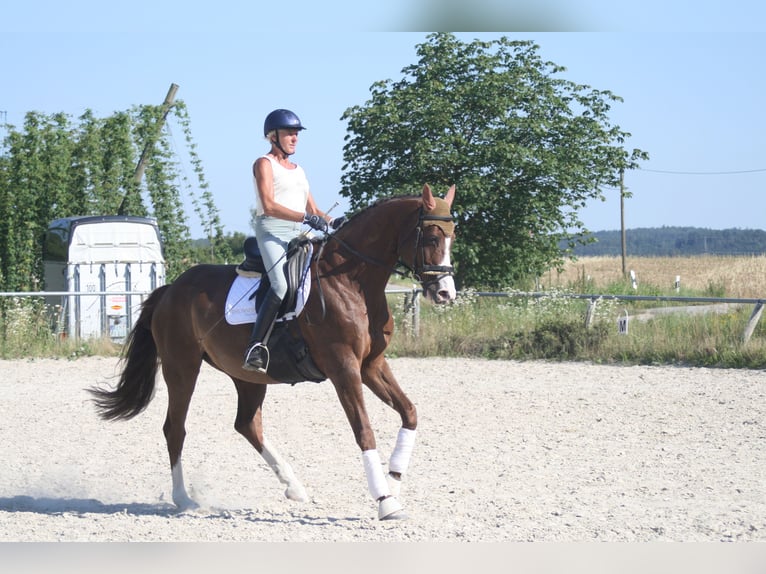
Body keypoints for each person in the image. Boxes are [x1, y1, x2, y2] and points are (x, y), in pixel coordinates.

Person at [243, 109, 343, 372]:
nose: (295, 138)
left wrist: (333, 221)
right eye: (289, 133)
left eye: (297, 133)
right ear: (273, 136)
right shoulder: (264, 163)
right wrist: (306, 218)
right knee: (279, 286)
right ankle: (256, 346)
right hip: (272, 230)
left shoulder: (299, 171)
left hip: (299, 233)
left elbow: (314, 210)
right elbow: (268, 205)